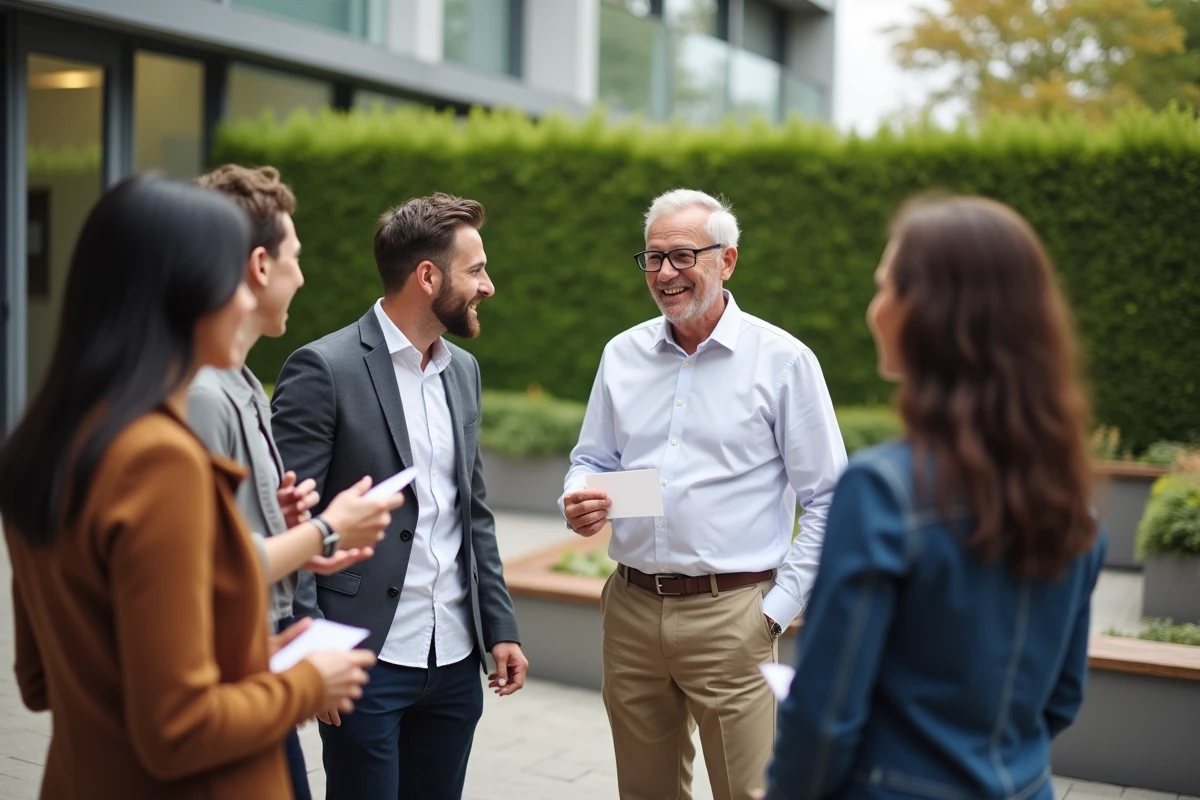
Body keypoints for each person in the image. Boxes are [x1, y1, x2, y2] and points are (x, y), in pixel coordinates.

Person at [0, 175, 380, 799]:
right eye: (232, 280)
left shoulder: (53, 442)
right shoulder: (158, 460)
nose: (243, 299)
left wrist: (258, 650)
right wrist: (310, 680)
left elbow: (45, 679)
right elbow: (177, 727)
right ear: (183, 293)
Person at [764, 196, 1107, 800]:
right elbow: (1060, 700)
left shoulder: (879, 492)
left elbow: (824, 716)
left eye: (884, 288)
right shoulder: (1074, 506)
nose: (875, 310)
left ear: (927, 313)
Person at [561, 188, 848, 800]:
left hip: (735, 615)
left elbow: (829, 498)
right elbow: (591, 460)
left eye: (683, 256)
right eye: (652, 258)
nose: (665, 274)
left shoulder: (785, 362)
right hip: (631, 610)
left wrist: (774, 611)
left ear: (728, 260)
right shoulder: (621, 355)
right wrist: (580, 496)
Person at [271, 192, 527, 800]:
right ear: (428, 276)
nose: (488, 285)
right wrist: (308, 642)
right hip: (363, 657)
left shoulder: (462, 370)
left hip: (457, 661)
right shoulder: (323, 368)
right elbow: (288, 518)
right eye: (477, 269)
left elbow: (474, 510)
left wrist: (500, 626)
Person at [187, 164, 401, 799]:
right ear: (259, 264)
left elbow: (221, 532)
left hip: (255, 667)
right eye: (296, 256)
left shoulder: (244, 381)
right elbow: (199, 570)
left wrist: (277, 519)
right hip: (223, 690)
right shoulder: (202, 394)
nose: (303, 276)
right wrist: (325, 530)